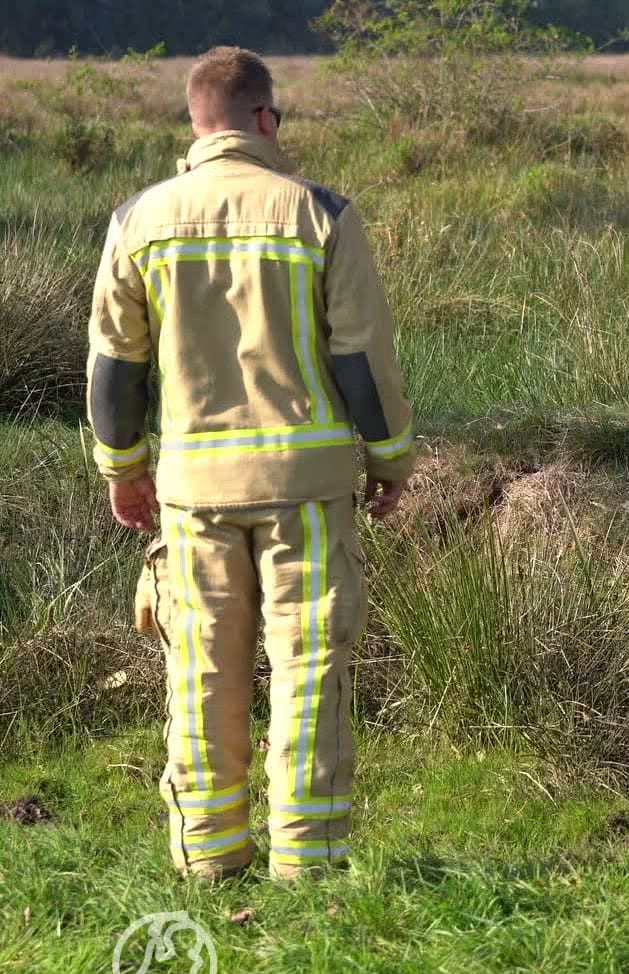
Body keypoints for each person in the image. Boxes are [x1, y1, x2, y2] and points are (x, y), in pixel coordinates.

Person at [88, 47, 414, 880]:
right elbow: (362, 358)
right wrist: (389, 458)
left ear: (196, 122)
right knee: (310, 668)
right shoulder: (321, 214)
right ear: (265, 117)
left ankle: (209, 857)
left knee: (201, 671)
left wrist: (123, 468)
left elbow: (114, 368)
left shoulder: (139, 219)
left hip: (192, 492)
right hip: (306, 487)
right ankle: (309, 859)